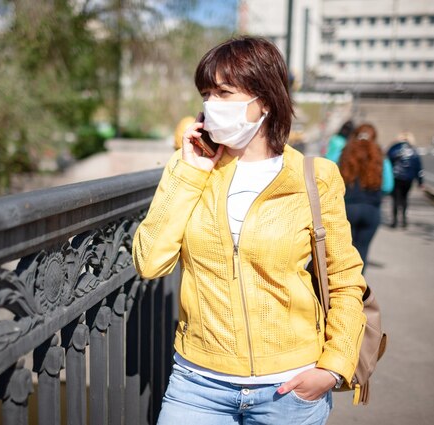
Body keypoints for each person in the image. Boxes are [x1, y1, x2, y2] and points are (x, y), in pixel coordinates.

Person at [132, 36, 367, 425]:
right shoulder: (191, 169)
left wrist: (333, 367)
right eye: (206, 94)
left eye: (224, 93)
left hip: (291, 388)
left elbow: (344, 279)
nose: (210, 105)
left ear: (266, 99)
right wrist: (189, 170)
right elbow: (149, 262)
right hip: (198, 384)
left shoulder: (315, 177)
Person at [338, 123, 394, 271]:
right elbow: (388, 186)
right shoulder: (380, 156)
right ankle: (359, 289)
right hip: (371, 208)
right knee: (362, 251)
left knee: (344, 252)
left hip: (347, 208)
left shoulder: (345, 153)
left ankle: (341, 287)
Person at [387, 132, 424, 228]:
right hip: (408, 178)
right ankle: (403, 220)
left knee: (395, 198)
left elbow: (387, 162)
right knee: (404, 198)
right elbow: (418, 167)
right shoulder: (413, 150)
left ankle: (394, 221)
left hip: (395, 176)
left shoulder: (394, 148)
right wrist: (420, 181)